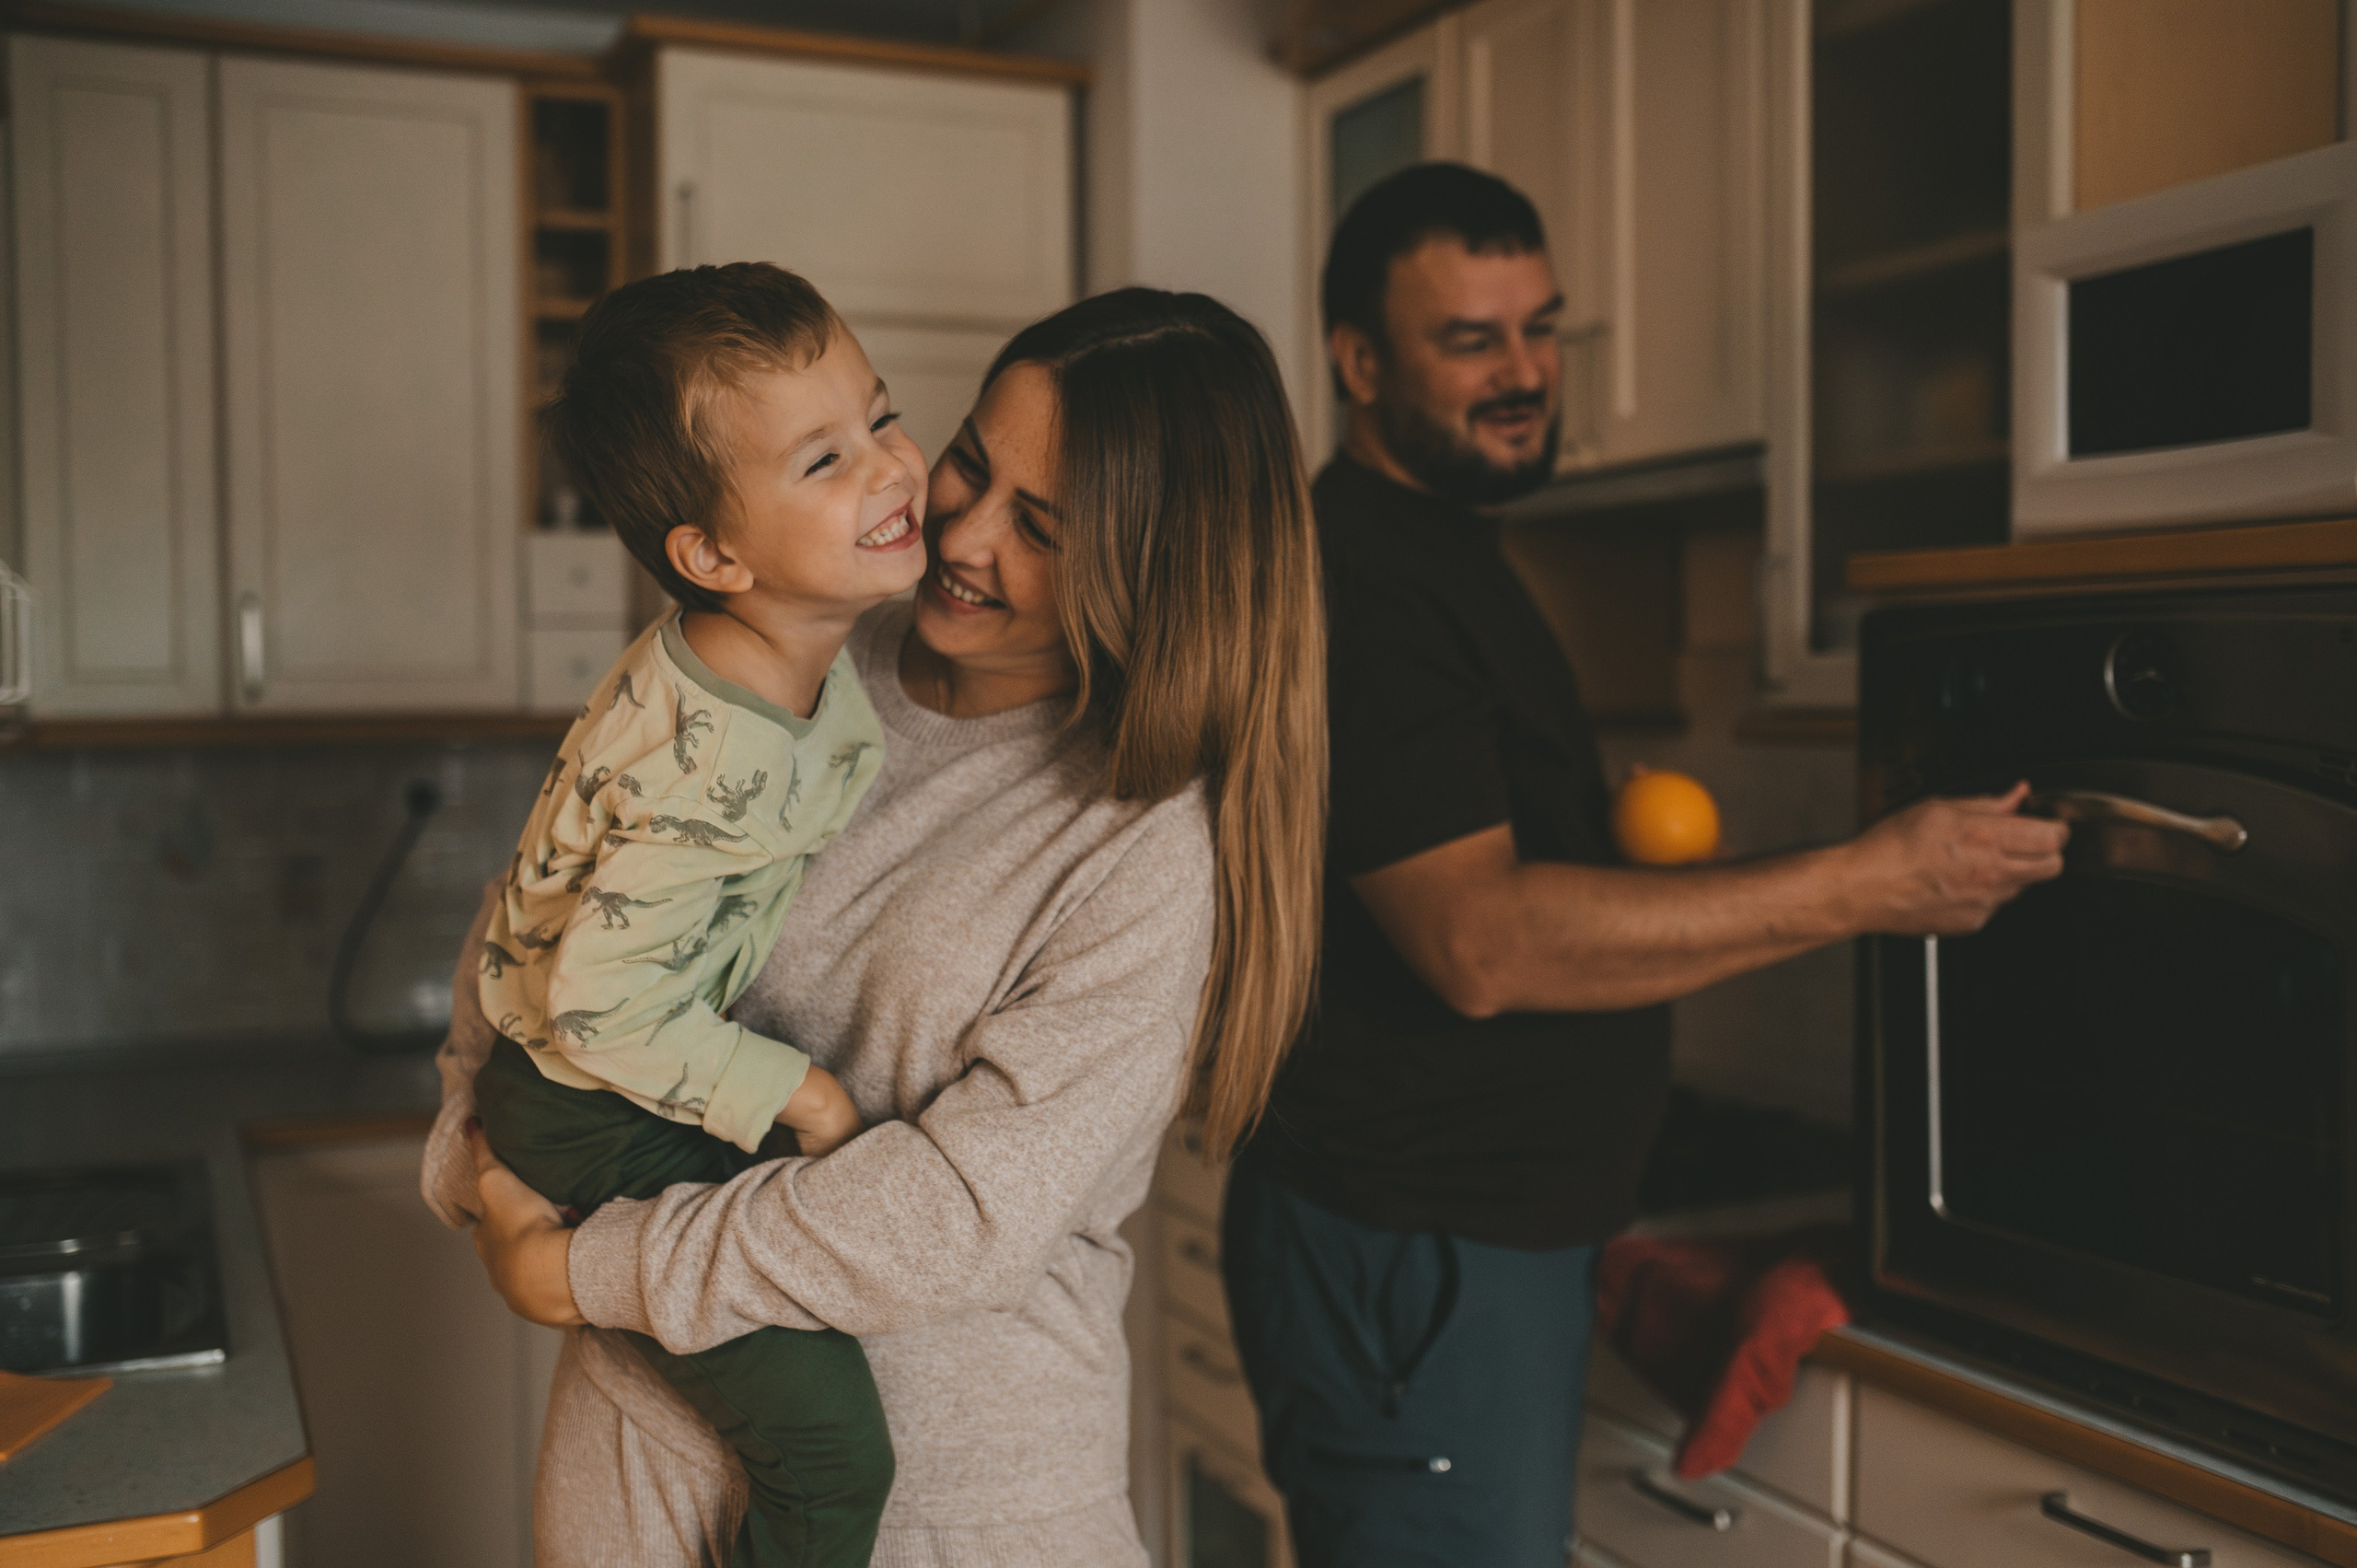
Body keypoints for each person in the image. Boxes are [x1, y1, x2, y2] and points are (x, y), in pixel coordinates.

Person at [1220, 163, 2070, 1568]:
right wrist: (1870, 882)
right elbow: (1478, 947)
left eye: (1542, 329)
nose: (1525, 374)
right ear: (1357, 360)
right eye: (1471, 339)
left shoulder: (1442, 551)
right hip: (1417, 1252)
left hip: (1464, 1244)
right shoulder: (1360, 576)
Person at [422, 286, 1327, 1568]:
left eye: (1043, 525)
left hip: (949, 1510)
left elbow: (957, 1210)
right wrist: (477, 1163)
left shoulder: (1143, 842)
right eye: (969, 457)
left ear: (1149, 568)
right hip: (632, 1441)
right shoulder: (789, 645)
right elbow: (538, 916)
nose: (957, 524)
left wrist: (591, 1269)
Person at [474, 261, 927, 1568]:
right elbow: (600, 1007)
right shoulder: (715, 753)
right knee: (837, 1457)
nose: (893, 469)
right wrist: (811, 1102)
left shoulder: (771, 662)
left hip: (580, 1083)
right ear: (714, 554)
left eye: (882, 416)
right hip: (590, 1098)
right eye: (825, 460)